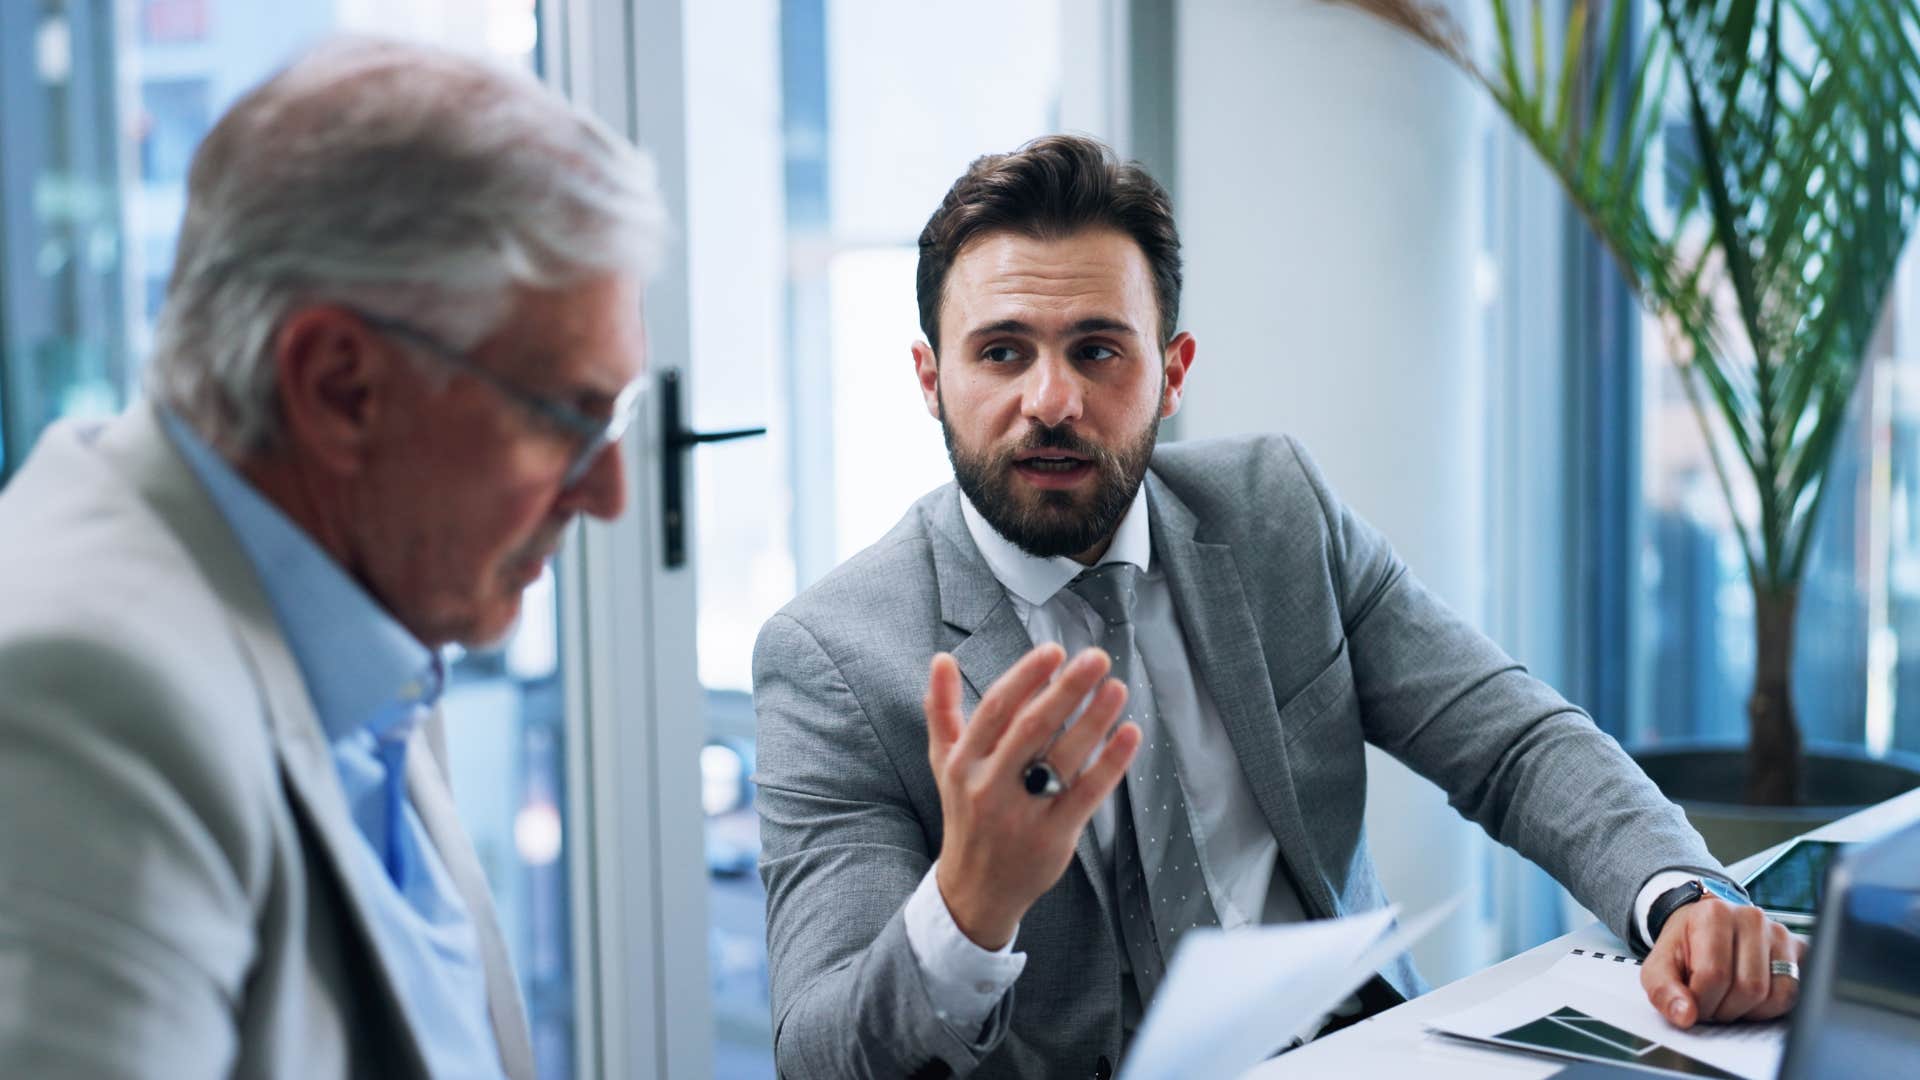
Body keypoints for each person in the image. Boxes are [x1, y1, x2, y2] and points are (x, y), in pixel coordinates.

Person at [752, 134, 1804, 1078]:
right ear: (931, 379)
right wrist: (968, 907)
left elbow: (1511, 743)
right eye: (1002, 352)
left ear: (1172, 374)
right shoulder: (836, 656)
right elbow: (820, 1048)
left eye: (1098, 349)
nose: (1053, 401)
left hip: (1357, 1052)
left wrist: (1682, 896)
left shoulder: (1274, 512)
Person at [0, 37, 663, 1078]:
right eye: (562, 420)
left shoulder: (357, 605)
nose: (609, 495)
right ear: (340, 387)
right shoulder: (87, 694)